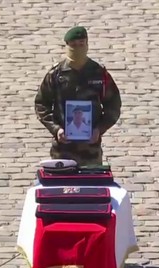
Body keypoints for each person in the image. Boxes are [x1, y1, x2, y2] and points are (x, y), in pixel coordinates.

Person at [34, 26, 121, 166]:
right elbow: (41, 104)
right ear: (67, 46)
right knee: (62, 185)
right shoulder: (56, 74)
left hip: (91, 147)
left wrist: (100, 129)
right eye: (74, 45)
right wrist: (56, 129)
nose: (78, 48)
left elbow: (113, 104)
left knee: (91, 185)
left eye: (81, 44)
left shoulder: (99, 73)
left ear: (87, 44)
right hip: (63, 146)